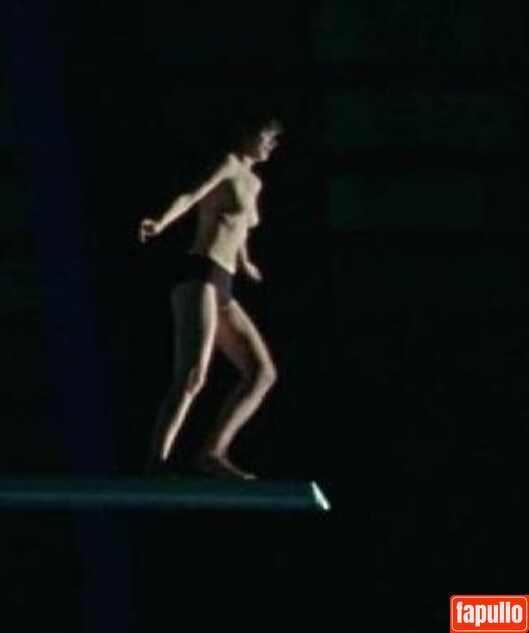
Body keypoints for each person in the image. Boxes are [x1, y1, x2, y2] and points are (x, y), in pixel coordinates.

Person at [139, 118, 283, 479]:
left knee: (262, 372)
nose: (270, 145)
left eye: (274, 141)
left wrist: (246, 263)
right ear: (247, 134)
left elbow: (239, 229)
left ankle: (213, 452)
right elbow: (192, 195)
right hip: (201, 275)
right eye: (266, 137)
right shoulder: (228, 164)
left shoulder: (255, 182)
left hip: (224, 283)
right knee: (193, 375)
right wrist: (161, 222)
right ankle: (155, 465)